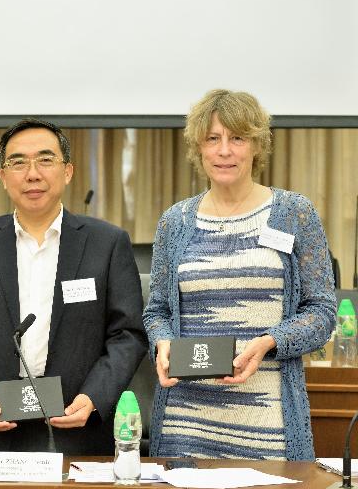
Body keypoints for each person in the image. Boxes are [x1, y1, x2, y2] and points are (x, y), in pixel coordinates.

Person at [144, 89, 336, 461]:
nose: (224, 150)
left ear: (256, 145)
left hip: (270, 426)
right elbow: (157, 312)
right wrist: (163, 343)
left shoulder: (294, 213)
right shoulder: (176, 221)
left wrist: (269, 341)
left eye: (237, 138)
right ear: (199, 147)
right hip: (186, 423)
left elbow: (322, 312)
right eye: (213, 139)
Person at [0, 118, 147, 454]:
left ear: (67, 172)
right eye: (18, 162)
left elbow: (128, 334)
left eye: (45, 160)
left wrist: (94, 397)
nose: (32, 173)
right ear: (3, 177)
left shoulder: (106, 243)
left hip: (77, 428)